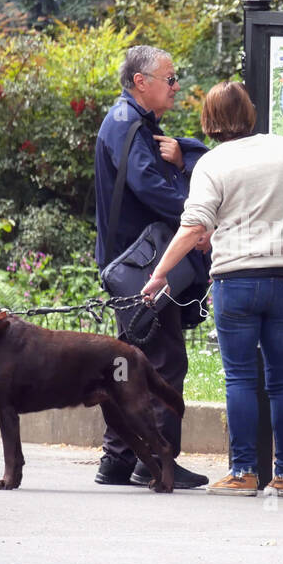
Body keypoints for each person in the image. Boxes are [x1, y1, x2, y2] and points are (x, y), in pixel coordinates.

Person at [142, 81, 283, 496]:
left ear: (209, 120)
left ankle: (243, 473)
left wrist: (160, 274)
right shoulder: (282, 150)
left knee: (240, 379)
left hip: (236, 280)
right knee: (282, 380)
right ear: (250, 112)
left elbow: (194, 226)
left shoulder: (211, 164)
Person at [93, 45, 211, 489]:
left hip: (129, 263)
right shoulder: (128, 124)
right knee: (162, 360)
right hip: (141, 265)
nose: (176, 85)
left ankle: (118, 460)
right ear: (141, 81)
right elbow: (149, 186)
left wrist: (181, 156)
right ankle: (155, 462)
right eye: (169, 78)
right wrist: (198, 214)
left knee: (130, 361)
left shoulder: (129, 123)